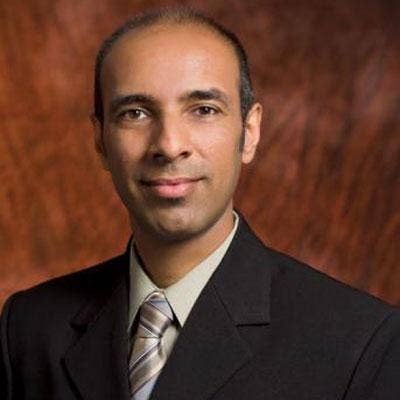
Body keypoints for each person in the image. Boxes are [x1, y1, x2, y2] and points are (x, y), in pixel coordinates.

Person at [1, 7, 399, 400]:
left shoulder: (362, 343)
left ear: (250, 131)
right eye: (135, 113)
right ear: (100, 140)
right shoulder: (28, 328)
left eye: (204, 110)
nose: (169, 145)